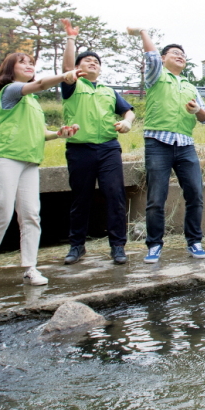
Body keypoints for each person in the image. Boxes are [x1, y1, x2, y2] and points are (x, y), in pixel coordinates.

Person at [0, 53, 80, 291]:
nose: (29, 66)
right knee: (1, 214)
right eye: (23, 62)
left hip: (29, 162)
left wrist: (59, 133)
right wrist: (65, 76)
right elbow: (40, 85)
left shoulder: (32, 102)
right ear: (10, 69)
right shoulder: (10, 91)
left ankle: (30, 268)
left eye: (31, 63)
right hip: (3, 159)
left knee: (31, 215)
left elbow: (40, 132)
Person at [128, 27, 205, 262]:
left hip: (185, 146)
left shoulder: (190, 86)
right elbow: (151, 56)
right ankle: (154, 245)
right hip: (158, 144)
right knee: (156, 198)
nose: (180, 56)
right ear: (163, 58)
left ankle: (194, 242)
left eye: (183, 54)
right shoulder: (156, 76)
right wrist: (143, 32)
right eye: (174, 53)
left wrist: (197, 111)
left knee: (195, 194)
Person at [60, 19, 136, 265]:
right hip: (80, 149)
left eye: (96, 62)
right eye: (87, 61)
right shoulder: (72, 86)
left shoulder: (108, 91)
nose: (93, 63)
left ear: (101, 70)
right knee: (81, 198)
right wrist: (71, 38)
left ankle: (117, 246)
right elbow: (66, 66)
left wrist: (128, 122)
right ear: (78, 68)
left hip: (108, 148)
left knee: (115, 195)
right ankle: (76, 246)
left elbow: (128, 111)